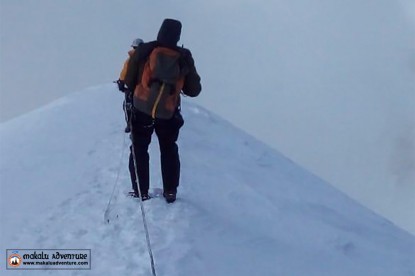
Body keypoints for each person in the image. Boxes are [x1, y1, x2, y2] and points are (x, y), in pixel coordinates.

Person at [125, 18, 201, 203]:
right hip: (168, 112)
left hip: (141, 107)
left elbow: (128, 79)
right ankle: (170, 192)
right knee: (168, 148)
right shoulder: (183, 57)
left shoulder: (146, 50)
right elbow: (194, 90)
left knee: (139, 147)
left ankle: (140, 191)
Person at [117, 38, 144, 133]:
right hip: (144, 89)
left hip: (131, 87)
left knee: (128, 105)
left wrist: (121, 83)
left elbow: (124, 73)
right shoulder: (148, 59)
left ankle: (130, 125)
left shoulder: (130, 60)